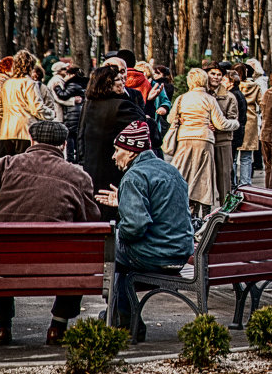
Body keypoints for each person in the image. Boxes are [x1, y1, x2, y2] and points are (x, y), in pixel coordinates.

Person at [0, 121, 101, 346]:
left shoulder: (4, 165)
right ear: (63, 146)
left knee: (2, 252)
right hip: (58, 265)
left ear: (31, 141)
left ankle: (2, 327)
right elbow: (92, 221)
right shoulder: (78, 176)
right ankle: (58, 327)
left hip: (4, 262)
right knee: (76, 258)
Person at [94, 121, 193, 340]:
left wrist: (120, 233)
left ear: (130, 152)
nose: (113, 156)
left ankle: (123, 320)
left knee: (111, 247)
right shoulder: (170, 170)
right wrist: (125, 203)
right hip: (180, 253)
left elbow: (135, 228)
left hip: (155, 255)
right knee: (122, 267)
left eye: (117, 150)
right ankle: (123, 317)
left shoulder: (134, 176)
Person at [165, 68, 239, 216]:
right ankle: (204, 212)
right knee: (204, 178)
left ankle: (186, 210)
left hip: (184, 139)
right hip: (204, 140)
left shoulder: (181, 98)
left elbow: (170, 118)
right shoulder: (209, 99)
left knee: (184, 175)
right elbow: (221, 124)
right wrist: (235, 124)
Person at [77, 66, 147, 221]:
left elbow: (80, 136)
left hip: (92, 172)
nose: (123, 82)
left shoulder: (89, 105)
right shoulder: (121, 106)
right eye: (118, 80)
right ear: (108, 84)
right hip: (115, 172)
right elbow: (148, 132)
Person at [0, 50, 53, 160]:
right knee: (24, 165)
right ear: (30, 66)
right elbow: (36, 108)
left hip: (7, 130)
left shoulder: (7, 83)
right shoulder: (29, 83)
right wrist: (51, 114)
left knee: (9, 164)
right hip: (25, 129)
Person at [201, 63, 241, 203]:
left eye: (219, 74)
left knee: (224, 176)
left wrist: (218, 126)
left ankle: (225, 206)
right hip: (203, 139)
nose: (216, 77)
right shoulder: (201, 94)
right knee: (204, 177)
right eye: (213, 74)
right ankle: (203, 209)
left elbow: (233, 118)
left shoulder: (229, 97)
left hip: (223, 140)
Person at [234, 64, 261, 188]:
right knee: (246, 157)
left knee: (233, 157)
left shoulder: (232, 87)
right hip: (250, 121)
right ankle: (246, 183)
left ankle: (233, 183)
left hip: (236, 121)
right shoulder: (255, 87)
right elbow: (261, 103)